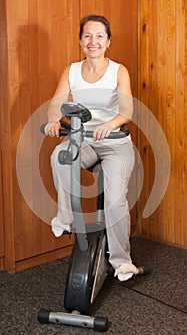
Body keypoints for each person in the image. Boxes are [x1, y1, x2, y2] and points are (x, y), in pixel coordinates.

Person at [45, 15, 139, 282]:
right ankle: (65, 218)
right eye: (87, 35)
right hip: (84, 141)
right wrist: (54, 119)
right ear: (80, 41)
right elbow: (56, 103)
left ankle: (122, 262)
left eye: (99, 36)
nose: (93, 41)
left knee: (114, 201)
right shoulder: (72, 71)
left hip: (115, 144)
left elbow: (128, 111)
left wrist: (109, 125)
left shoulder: (118, 71)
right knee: (59, 156)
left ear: (108, 42)